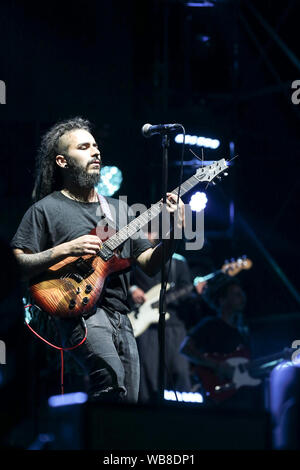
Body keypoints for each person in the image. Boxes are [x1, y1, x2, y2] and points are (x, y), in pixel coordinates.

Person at [10, 117, 185, 404]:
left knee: (130, 403)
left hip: (122, 316)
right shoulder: (45, 210)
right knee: (111, 386)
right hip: (80, 312)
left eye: (95, 145)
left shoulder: (119, 210)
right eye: (84, 147)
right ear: (63, 162)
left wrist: (175, 232)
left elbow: (149, 263)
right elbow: (16, 263)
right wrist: (64, 250)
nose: (95, 151)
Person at [129, 229, 194, 403]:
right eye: (144, 231)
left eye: (150, 231)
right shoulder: (134, 261)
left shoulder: (178, 263)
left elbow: (187, 291)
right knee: (148, 375)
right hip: (146, 328)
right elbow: (120, 281)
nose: (146, 235)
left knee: (180, 373)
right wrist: (132, 289)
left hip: (174, 326)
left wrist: (195, 291)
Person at [180, 274, 263, 409]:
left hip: (239, 397)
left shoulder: (243, 331)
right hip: (218, 398)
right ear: (222, 300)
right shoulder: (210, 325)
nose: (242, 297)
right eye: (236, 294)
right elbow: (185, 349)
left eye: (241, 293)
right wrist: (218, 366)